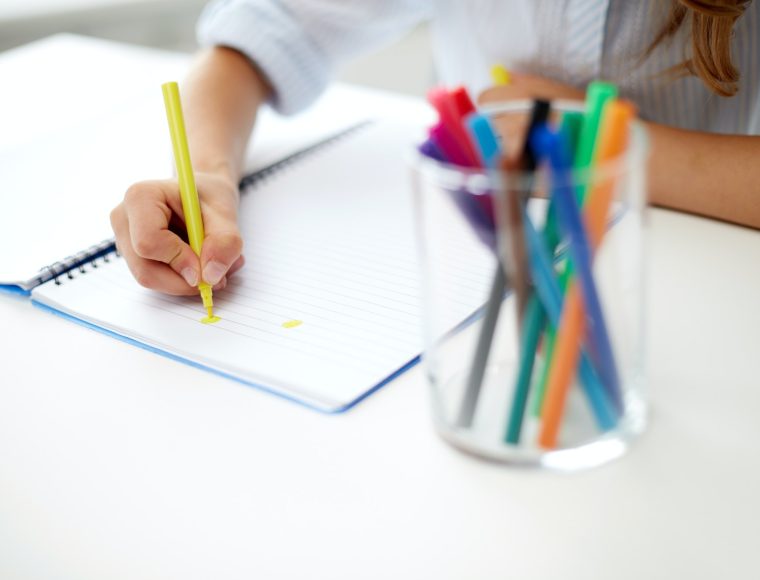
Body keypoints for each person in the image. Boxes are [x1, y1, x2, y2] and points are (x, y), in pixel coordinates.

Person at [110, 0, 760, 297]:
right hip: (474, 276)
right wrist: (206, 177)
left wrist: (606, 148)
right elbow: (259, 35)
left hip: (713, 285)